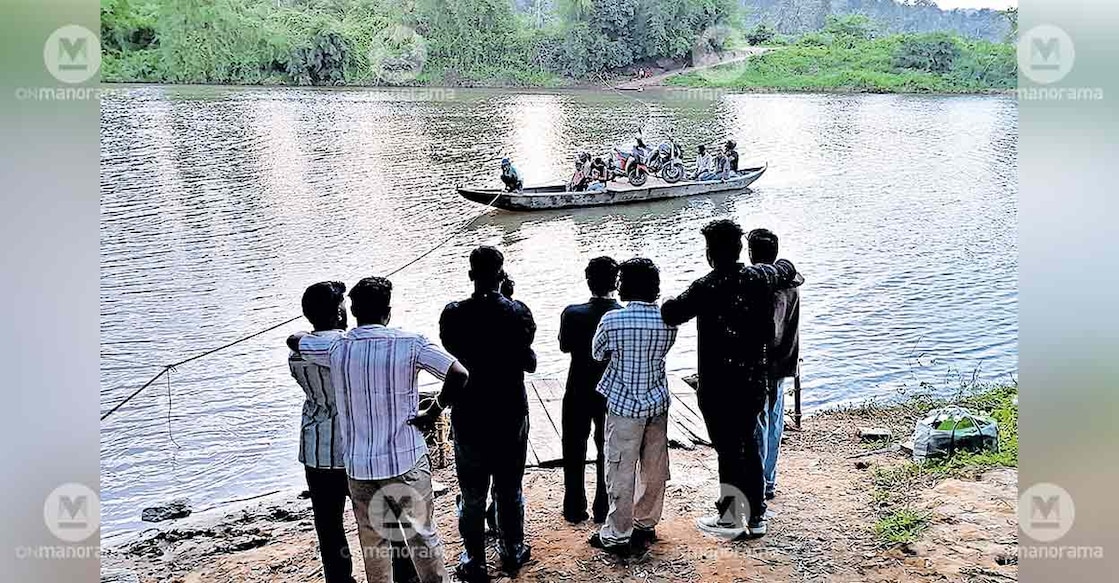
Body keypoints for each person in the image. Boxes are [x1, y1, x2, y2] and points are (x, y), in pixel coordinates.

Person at [289, 277, 469, 583]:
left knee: (374, 544)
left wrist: (301, 335)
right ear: (387, 310)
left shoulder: (336, 348)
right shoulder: (411, 343)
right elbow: (459, 373)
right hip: (404, 460)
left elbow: (295, 340)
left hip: (359, 467)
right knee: (421, 537)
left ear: (354, 311)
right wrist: (435, 409)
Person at [661, 219, 801, 540]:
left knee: (727, 449)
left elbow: (671, 312)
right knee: (749, 443)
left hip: (718, 383)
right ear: (739, 249)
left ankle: (729, 517)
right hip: (753, 378)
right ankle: (757, 517)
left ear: (710, 252)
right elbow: (787, 267)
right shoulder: (759, 277)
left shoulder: (706, 287)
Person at [434, 246, 536, 581]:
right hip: (510, 408)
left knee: (473, 490)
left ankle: (474, 558)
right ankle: (512, 549)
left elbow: (452, 350)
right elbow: (525, 352)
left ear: (470, 275)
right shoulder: (518, 312)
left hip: (470, 410)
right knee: (509, 487)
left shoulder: (453, 313)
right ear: (501, 273)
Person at [587, 258, 677, 556]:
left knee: (620, 469)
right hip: (657, 400)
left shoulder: (612, 320)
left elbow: (598, 354)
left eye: (622, 280)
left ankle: (617, 533)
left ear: (629, 285)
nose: (619, 285)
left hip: (624, 405)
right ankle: (646, 523)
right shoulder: (668, 320)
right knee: (653, 467)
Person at [287, 282, 364, 583]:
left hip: (315, 447)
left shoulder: (297, 352)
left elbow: (297, 339)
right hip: (353, 445)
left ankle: (340, 578)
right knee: (373, 519)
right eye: (342, 304)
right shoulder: (348, 348)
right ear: (338, 312)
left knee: (328, 525)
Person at [558, 257, 622, 524]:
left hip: (577, 387)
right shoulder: (620, 314)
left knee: (573, 448)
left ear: (588, 281)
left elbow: (564, 347)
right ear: (616, 283)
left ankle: (574, 506)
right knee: (605, 448)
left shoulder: (572, 313)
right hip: (608, 390)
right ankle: (602, 507)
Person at [747, 229, 801, 501]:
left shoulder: (764, 287)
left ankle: (760, 483)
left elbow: (768, 329)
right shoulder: (790, 284)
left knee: (760, 424)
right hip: (781, 363)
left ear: (751, 253)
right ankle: (768, 481)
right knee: (774, 421)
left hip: (763, 364)